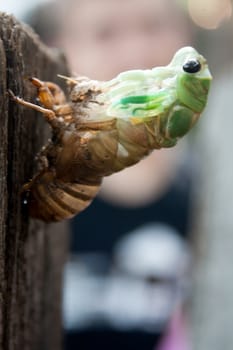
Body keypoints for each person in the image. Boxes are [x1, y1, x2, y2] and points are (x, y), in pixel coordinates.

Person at [24, 1, 194, 349]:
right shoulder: (17, 184)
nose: (137, 50)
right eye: (105, 33)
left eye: (153, 26)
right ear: (60, 52)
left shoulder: (212, 202)